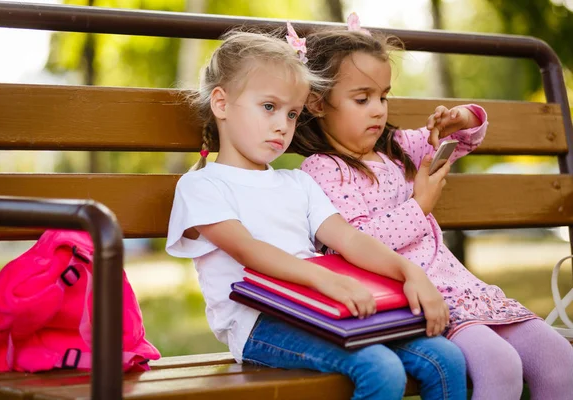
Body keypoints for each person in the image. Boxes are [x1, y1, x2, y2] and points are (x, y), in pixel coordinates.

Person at [166, 25, 467, 400]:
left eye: (292, 114)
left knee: (446, 359)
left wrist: (409, 272)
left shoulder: (298, 183)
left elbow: (350, 239)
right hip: (260, 323)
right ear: (221, 104)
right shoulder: (202, 186)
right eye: (269, 107)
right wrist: (321, 280)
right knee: (380, 368)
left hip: (322, 306)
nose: (282, 125)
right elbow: (248, 251)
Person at [294, 13, 573, 400]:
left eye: (383, 96)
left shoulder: (398, 149)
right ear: (317, 103)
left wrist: (463, 117)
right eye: (362, 99)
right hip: (411, 298)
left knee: (561, 361)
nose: (378, 109)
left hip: (464, 288)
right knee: (499, 366)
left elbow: (462, 139)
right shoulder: (323, 170)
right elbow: (355, 244)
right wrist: (419, 204)